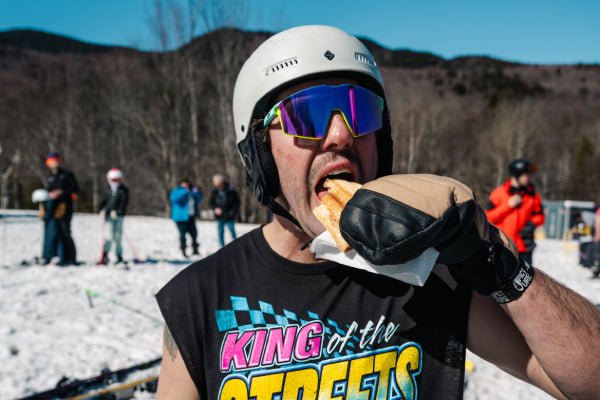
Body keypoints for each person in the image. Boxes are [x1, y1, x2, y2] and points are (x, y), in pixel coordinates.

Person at [155, 26, 600, 399]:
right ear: (259, 155)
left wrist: (495, 258)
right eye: (305, 115)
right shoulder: (200, 297)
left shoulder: (429, 274)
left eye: (359, 110)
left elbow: (589, 383)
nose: (339, 135)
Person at [485, 158, 545, 266]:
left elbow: (540, 216)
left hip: (524, 247)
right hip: (503, 245)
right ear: (516, 175)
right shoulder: (498, 194)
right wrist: (508, 205)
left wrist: (531, 224)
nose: (529, 178)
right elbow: (489, 217)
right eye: (526, 174)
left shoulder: (533, 196)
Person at [44, 152, 78, 265]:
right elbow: (48, 191)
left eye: (56, 161)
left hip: (65, 207)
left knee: (65, 232)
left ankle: (71, 258)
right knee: (53, 232)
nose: (55, 164)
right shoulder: (50, 177)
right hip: (53, 208)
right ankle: (58, 256)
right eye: (52, 161)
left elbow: (74, 188)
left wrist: (61, 192)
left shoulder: (67, 174)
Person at [99, 168, 129, 265]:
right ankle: (105, 255)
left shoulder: (123, 190)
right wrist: (103, 210)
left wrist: (118, 211)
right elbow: (104, 202)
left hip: (119, 217)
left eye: (118, 180)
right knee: (109, 236)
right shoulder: (108, 190)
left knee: (118, 237)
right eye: (114, 180)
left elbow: (124, 202)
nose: (116, 182)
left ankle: (119, 255)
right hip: (108, 217)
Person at [170, 178, 202, 257]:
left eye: (187, 184)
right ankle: (183, 250)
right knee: (182, 234)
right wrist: (184, 191)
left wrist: (196, 192)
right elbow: (174, 199)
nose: (186, 186)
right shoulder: (177, 190)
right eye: (184, 184)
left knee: (194, 233)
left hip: (191, 216)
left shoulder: (191, 191)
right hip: (180, 217)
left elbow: (199, 199)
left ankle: (195, 249)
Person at [208, 173, 239, 247]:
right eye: (216, 185)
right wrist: (215, 209)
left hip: (230, 216)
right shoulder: (214, 191)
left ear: (222, 182)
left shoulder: (231, 190)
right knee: (220, 233)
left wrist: (232, 211)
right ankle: (222, 248)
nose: (217, 186)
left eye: (218, 184)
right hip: (220, 217)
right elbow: (211, 203)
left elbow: (237, 202)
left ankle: (237, 247)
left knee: (232, 233)